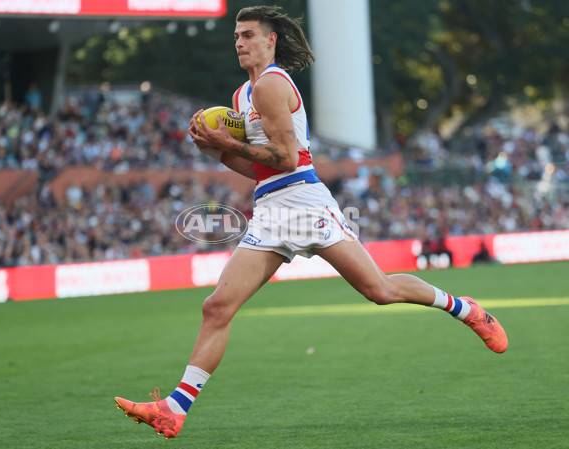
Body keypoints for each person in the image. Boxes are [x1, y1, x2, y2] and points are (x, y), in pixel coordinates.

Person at [114, 5, 508, 439]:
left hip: (304, 202)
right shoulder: (241, 96)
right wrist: (219, 151)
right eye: (236, 37)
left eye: (248, 35)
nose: (240, 43)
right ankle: (175, 408)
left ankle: (464, 308)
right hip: (270, 207)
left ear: (271, 40)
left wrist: (229, 143)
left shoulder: (270, 86)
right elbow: (261, 170)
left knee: (380, 290)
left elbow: (286, 159)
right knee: (217, 306)